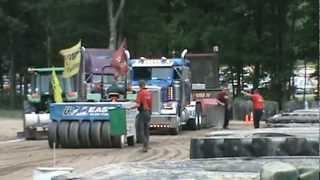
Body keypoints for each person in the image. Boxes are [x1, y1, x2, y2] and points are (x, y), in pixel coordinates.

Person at [134, 80, 152, 152]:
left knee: (140, 130)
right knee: (146, 130)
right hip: (148, 113)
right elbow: (150, 104)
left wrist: (130, 107)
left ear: (139, 85)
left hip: (142, 113)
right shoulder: (149, 93)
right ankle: (147, 145)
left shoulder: (140, 93)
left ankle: (145, 146)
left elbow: (138, 104)